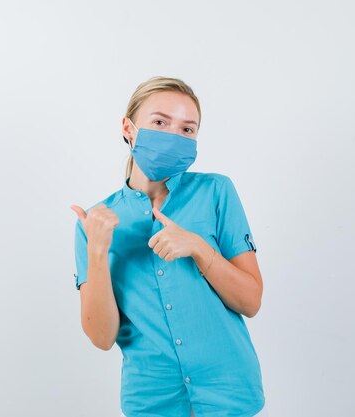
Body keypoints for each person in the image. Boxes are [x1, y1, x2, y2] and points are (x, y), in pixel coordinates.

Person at [70, 76, 268, 417]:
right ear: (129, 129)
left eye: (187, 129)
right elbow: (102, 338)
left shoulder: (217, 192)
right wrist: (98, 252)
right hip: (152, 402)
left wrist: (199, 248)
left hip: (230, 393)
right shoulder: (94, 223)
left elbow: (250, 302)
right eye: (160, 122)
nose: (173, 136)